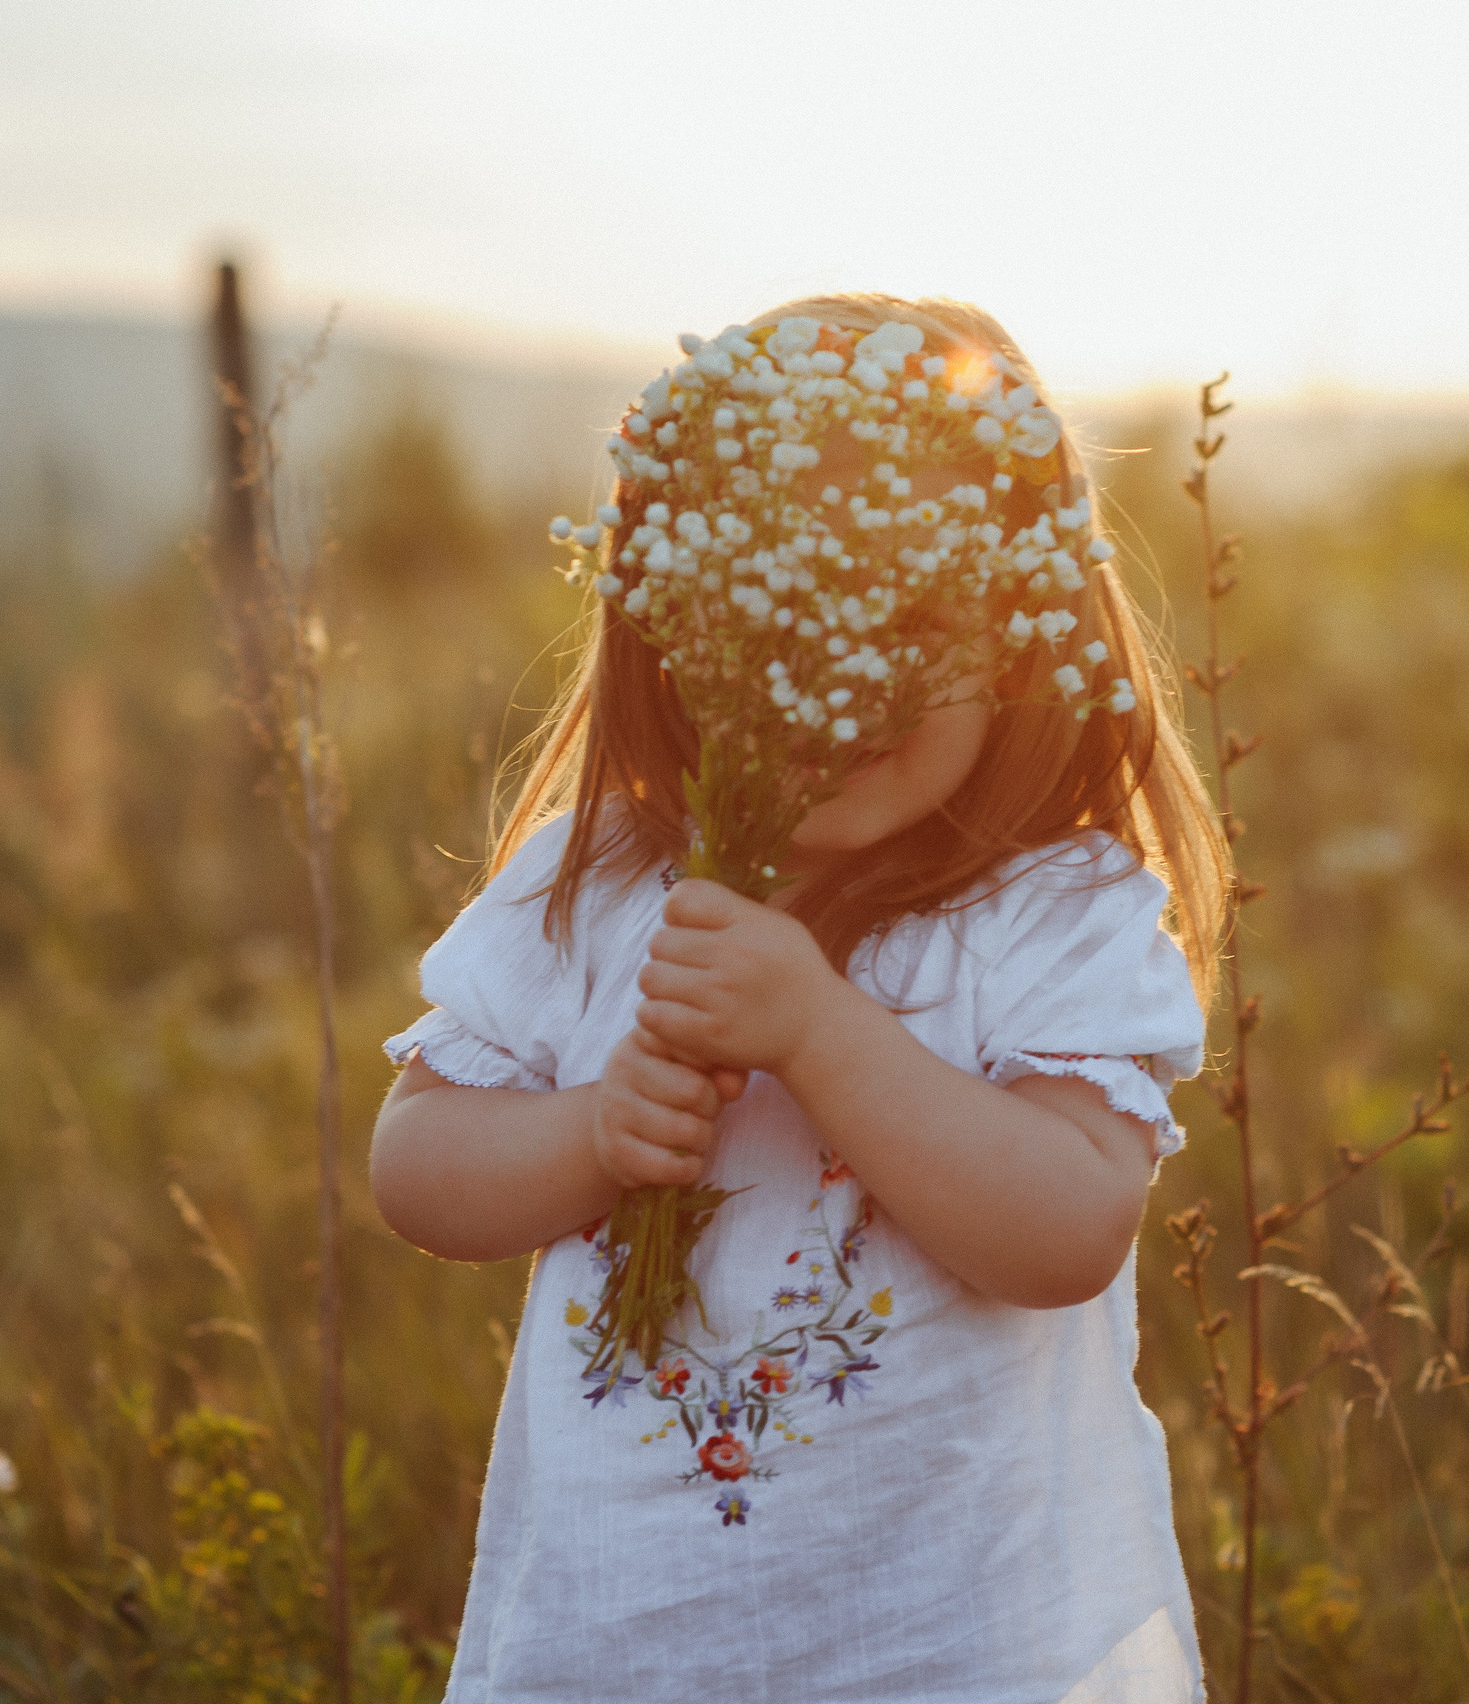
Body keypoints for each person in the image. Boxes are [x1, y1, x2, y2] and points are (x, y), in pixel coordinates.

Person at [369, 293, 1229, 1703]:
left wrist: (821, 1032)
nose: (848, 671)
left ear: (1018, 635)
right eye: (785, 607)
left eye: (916, 617)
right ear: (674, 626)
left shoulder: (1052, 910)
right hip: (622, 1646)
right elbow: (416, 1165)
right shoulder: (598, 883)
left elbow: (1069, 1227)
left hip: (961, 1654)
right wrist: (592, 1133)